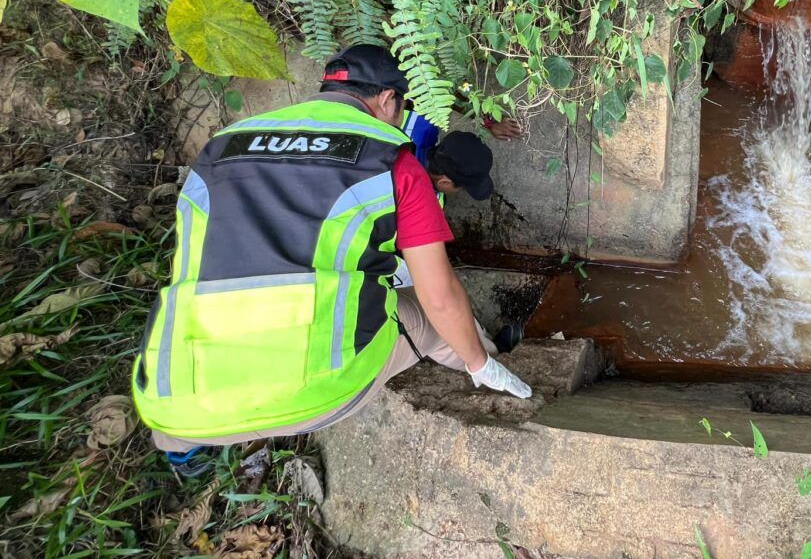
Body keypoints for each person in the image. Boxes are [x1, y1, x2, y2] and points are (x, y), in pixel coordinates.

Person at [132, 44, 532, 471]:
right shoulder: (389, 158)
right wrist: (478, 361)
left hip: (172, 398)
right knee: (435, 320)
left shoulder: (221, 146)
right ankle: (486, 365)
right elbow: (440, 298)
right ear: (386, 100)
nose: (399, 121)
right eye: (400, 108)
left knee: (184, 404)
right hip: (313, 391)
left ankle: (181, 452)